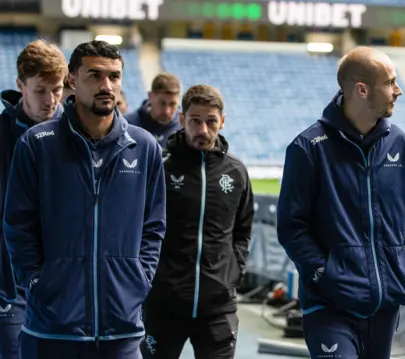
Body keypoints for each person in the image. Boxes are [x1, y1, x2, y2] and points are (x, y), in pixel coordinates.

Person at [2, 40, 166, 358]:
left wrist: (139, 280)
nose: (107, 85)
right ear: (72, 81)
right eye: (95, 76)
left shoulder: (144, 147)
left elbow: (154, 226)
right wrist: (37, 283)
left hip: (122, 331)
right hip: (51, 328)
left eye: (114, 76)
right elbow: (17, 225)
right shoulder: (36, 145)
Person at [277, 46, 405, 359]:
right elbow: (291, 227)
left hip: (384, 305)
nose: (398, 90)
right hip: (329, 305)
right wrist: (324, 273)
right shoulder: (308, 148)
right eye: (390, 82)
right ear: (362, 90)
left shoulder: (404, 146)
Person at [140, 85, 253, 359]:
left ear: (222, 122)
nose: (203, 129)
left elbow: (242, 230)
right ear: (181, 120)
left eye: (211, 121)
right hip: (163, 305)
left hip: (217, 307)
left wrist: (233, 272)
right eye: (195, 121)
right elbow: (138, 228)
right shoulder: (160, 167)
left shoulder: (236, 172)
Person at [0, 39, 67, 359]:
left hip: (63, 284)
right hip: (8, 286)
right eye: (41, 90)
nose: (51, 100)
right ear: (20, 85)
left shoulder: (78, 134)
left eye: (56, 89)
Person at [125, 72, 181, 148]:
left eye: (172, 104)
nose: (167, 111)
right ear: (150, 96)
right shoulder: (127, 125)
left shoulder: (186, 127)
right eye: (162, 103)